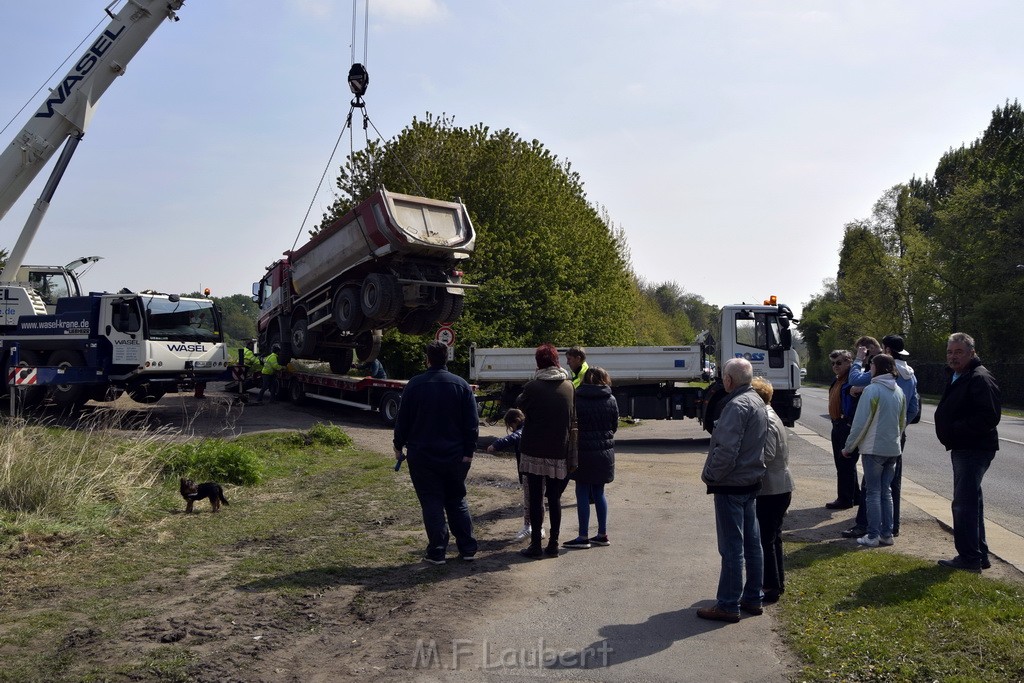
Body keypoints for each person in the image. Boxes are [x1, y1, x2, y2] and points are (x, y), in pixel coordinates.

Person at [393, 341, 479, 565]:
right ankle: (468, 547)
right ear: (446, 358)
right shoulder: (461, 386)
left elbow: (403, 420)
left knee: (432, 502)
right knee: (456, 499)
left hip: (422, 456)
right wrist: (468, 452)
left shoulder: (415, 385)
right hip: (455, 456)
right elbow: (472, 424)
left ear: (427, 359)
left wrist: (397, 445)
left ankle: (438, 551)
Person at [696, 357, 768, 624]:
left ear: (728, 380)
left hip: (731, 484)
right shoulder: (757, 401)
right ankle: (752, 598)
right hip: (749, 481)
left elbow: (727, 450)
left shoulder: (736, 405)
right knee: (752, 544)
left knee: (732, 548)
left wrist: (710, 476)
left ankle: (728, 604)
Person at [935, 332, 1000, 573]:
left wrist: (955, 430)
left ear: (972, 353)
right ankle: (978, 555)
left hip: (973, 449)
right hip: (964, 447)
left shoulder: (979, 378)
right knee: (972, 503)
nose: (953, 356)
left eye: (958, 352)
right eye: (950, 352)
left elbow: (989, 416)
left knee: (963, 505)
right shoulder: (958, 375)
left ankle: (969, 559)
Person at [843, 334, 920, 539]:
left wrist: (859, 359)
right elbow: (913, 407)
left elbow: (854, 380)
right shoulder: (910, 375)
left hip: (875, 438)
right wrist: (899, 427)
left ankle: (867, 528)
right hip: (895, 437)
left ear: (886, 350)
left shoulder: (882, 373)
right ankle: (890, 528)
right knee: (890, 486)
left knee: (871, 488)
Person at [516, 343, 575, 559]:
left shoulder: (533, 387)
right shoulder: (569, 386)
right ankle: (553, 544)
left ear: (539, 362)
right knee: (554, 498)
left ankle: (535, 546)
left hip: (533, 449)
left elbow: (520, 405)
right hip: (559, 449)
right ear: (556, 361)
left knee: (535, 497)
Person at [563, 367, 618, 550]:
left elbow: (571, 423)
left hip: (582, 451)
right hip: (604, 452)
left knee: (582, 493)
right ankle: (602, 534)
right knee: (599, 493)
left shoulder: (577, 398)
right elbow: (614, 426)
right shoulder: (611, 399)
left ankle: (583, 536)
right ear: (605, 379)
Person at [751, 377, 793, 604]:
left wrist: (745, 465)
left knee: (766, 539)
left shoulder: (765, 419)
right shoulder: (772, 414)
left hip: (772, 488)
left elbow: (765, 455)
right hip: (780, 486)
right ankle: (776, 583)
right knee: (773, 537)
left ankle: (770, 586)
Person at [486, 408, 544, 541]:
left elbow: (514, 437)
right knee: (538, 501)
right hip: (539, 469)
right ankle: (538, 527)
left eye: (510, 425)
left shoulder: (524, 429)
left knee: (529, 501)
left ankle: (529, 526)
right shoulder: (534, 425)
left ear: (516, 421)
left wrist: (495, 445)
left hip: (529, 471)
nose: (511, 429)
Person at [826, 349, 860, 510]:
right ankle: (855, 495)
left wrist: (848, 423)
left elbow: (855, 406)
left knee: (844, 463)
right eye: (833, 363)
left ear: (849, 361)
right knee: (845, 463)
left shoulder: (852, 381)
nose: (835, 366)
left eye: (839, 363)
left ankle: (845, 498)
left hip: (845, 425)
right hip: (837, 425)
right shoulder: (839, 379)